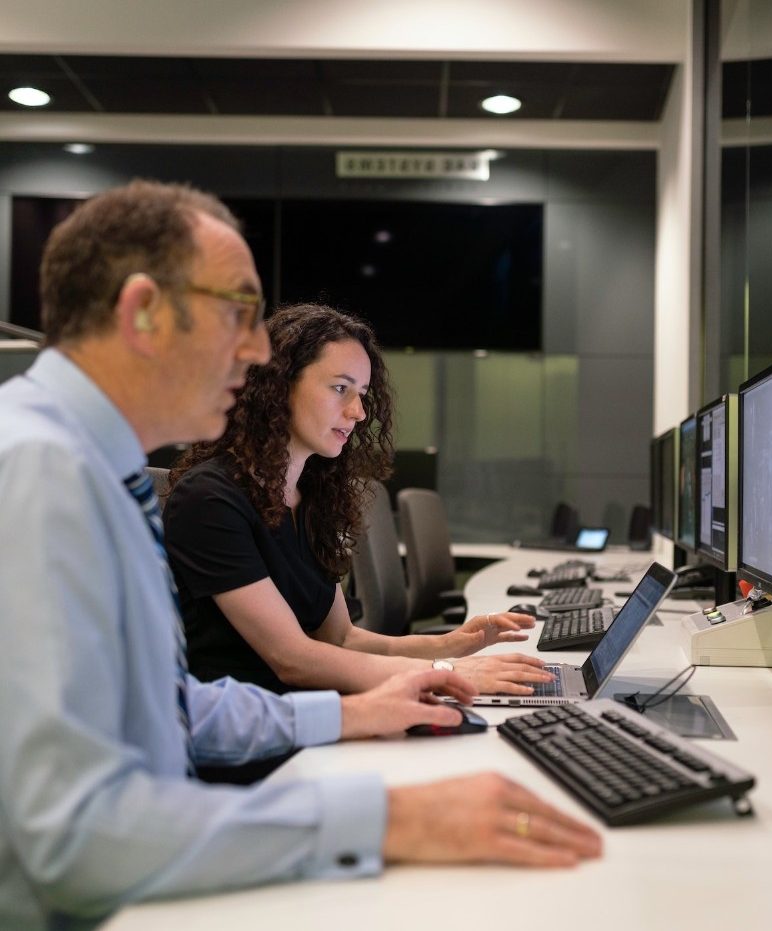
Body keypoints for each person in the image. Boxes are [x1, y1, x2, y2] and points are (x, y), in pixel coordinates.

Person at [0, 180, 601, 931]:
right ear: (143, 311)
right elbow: (71, 834)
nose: (255, 352)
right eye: (239, 314)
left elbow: (175, 704)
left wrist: (349, 713)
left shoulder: (97, 469)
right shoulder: (38, 472)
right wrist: (384, 818)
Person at [165, 303, 553, 696]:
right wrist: (446, 671)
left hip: (318, 713)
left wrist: (454, 643)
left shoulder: (313, 498)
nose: (359, 412)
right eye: (340, 388)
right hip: (257, 735)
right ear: (278, 385)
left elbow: (342, 640)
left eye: (362, 394)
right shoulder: (210, 499)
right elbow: (292, 659)